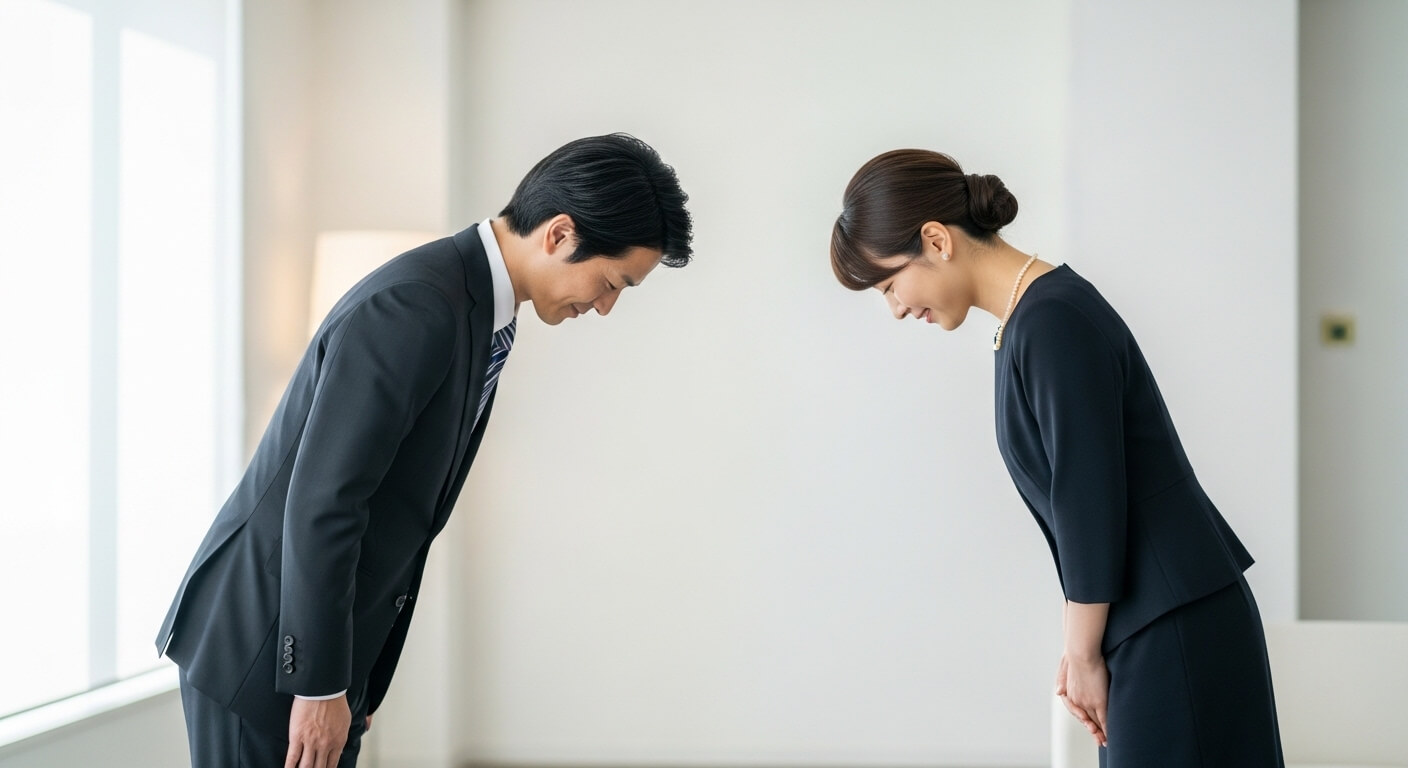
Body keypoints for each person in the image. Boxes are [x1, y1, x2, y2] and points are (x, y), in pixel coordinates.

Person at [156, 133, 693, 768]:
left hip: (318, 660)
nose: (605, 307)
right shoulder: (420, 305)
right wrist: (322, 682)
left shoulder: (478, 309)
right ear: (559, 234)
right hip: (261, 653)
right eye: (611, 282)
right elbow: (327, 499)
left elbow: (397, 510)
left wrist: (360, 677)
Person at [829, 149, 1283, 766]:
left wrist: (1082, 653)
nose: (898, 309)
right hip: (1151, 619)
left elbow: (1088, 500)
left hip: (1171, 625)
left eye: (888, 284)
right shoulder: (1029, 321)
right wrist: (1084, 646)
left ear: (935, 240)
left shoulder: (1050, 320)